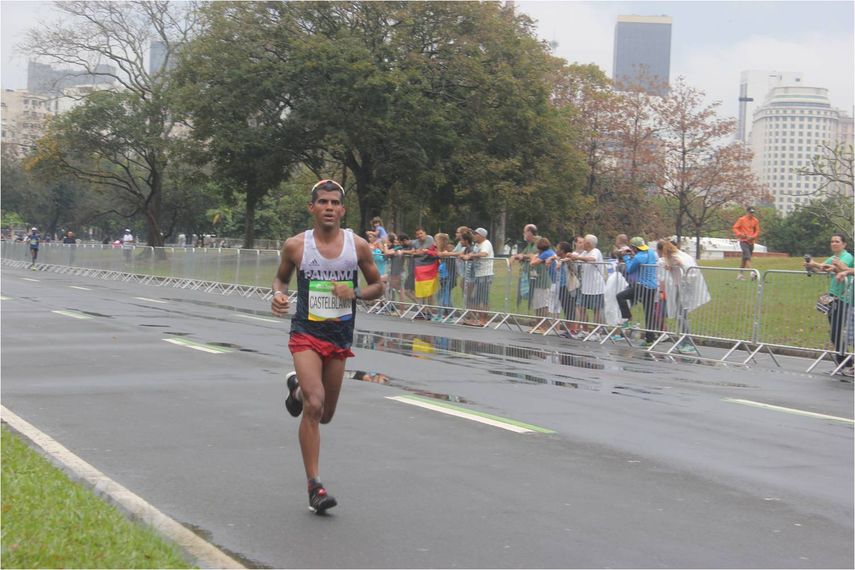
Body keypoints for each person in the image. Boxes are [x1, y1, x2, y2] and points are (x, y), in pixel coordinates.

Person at [271, 179, 384, 514]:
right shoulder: (296, 246)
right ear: (312, 208)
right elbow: (281, 278)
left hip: (339, 335)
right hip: (306, 331)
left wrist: (357, 294)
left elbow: (379, 285)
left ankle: (295, 391)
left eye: (335, 202)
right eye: (323, 202)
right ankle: (314, 486)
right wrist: (278, 294)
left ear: (343, 210)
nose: (330, 207)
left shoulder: (358, 246)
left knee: (327, 414)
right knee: (315, 405)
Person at [804, 233, 854, 376]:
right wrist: (811, 266)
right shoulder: (834, 258)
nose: (834, 244)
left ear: (844, 244)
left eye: (837, 241)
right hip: (833, 296)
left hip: (844, 298)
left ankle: (847, 364)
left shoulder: (847, 256)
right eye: (832, 241)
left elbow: (841, 269)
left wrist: (831, 267)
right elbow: (824, 267)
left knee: (837, 333)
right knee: (835, 333)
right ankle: (843, 364)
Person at [656, 239, 710, 354]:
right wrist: (670, 268)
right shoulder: (674, 257)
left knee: (681, 316)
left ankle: (688, 342)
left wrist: (678, 266)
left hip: (683, 290)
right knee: (679, 316)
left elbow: (687, 270)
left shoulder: (677, 258)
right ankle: (684, 340)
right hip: (679, 288)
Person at [616, 237, 659, 344]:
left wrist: (626, 256)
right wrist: (632, 253)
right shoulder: (651, 252)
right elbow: (641, 255)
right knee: (648, 313)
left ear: (634, 248)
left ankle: (628, 318)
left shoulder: (639, 257)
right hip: (653, 287)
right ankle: (650, 340)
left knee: (620, 296)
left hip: (642, 286)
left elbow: (630, 269)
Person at [568, 234, 606, 339]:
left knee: (596, 310)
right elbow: (578, 259)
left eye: (583, 242)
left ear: (588, 243)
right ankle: (584, 331)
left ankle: (597, 333)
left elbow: (591, 259)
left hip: (596, 287)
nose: (582, 244)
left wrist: (577, 257)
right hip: (585, 287)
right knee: (581, 308)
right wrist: (569, 257)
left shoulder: (596, 251)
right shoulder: (585, 252)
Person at [462, 227, 494, 326]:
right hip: (477, 274)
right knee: (476, 297)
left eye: (476, 234)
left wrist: (471, 256)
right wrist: (467, 256)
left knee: (483, 298)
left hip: (485, 274)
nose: (474, 236)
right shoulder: (477, 244)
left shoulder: (486, 243)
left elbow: (484, 253)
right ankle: (475, 319)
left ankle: (483, 320)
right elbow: (473, 253)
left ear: (481, 236)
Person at [528, 237, 558, 332]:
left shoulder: (546, 253)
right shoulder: (548, 252)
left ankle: (543, 327)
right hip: (546, 282)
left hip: (548, 282)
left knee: (543, 305)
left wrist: (533, 257)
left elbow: (533, 263)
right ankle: (539, 325)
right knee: (538, 304)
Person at [511, 224, 540, 309]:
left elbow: (535, 255)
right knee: (536, 304)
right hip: (532, 277)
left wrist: (523, 256)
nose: (523, 234)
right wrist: (516, 256)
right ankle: (538, 322)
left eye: (524, 232)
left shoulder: (539, 242)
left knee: (541, 304)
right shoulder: (529, 244)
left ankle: (543, 322)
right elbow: (523, 254)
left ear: (530, 232)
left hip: (540, 279)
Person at [732, 207, 760, 280]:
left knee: (744, 259)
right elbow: (735, 228)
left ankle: (740, 275)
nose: (752, 214)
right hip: (743, 241)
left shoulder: (755, 220)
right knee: (747, 257)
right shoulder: (741, 219)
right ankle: (752, 272)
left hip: (751, 241)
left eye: (753, 212)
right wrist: (740, 234)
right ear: (747, 212)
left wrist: (753, 237)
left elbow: (757, 231)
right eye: (750, 212)